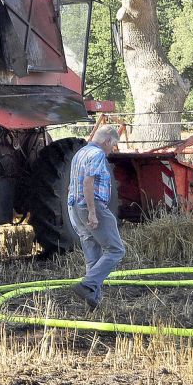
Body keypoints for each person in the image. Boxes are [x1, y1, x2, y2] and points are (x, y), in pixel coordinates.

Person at [66, 125, 125, 310]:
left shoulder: (80, 153)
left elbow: (73, 184)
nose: (112, 150)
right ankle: (87, 284)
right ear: (107, 141)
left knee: (93, 255)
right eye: (113, 145)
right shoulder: (97, 155)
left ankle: (92, 299)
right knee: (116, 250)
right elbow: (88, 182)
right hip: (92, 206)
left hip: (74, 208)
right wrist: (92, 211)